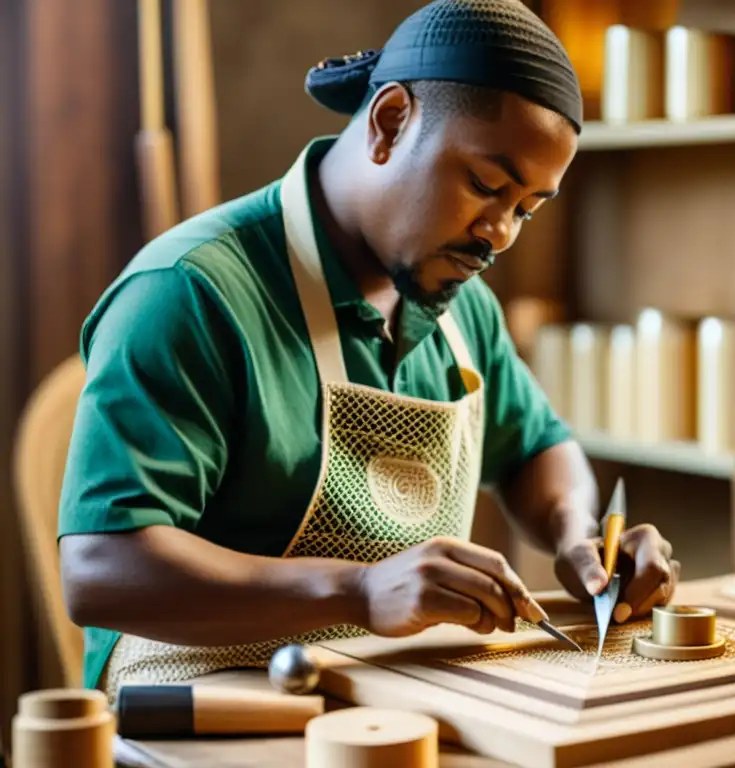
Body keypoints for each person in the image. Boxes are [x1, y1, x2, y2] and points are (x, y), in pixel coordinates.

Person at [57, 0, 680, 697]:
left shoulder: (462, 307)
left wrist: (578, 538)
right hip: (196, 703)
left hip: (382, 695)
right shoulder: (188, 293)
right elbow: (100, 571)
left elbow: (537, 447)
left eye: (526, 208)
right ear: (390, 123)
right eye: (485, 185)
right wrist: (356, 590)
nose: (501, 233)